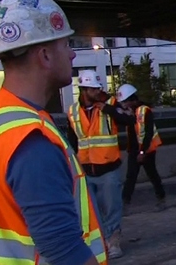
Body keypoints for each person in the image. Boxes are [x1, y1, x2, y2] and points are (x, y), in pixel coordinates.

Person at [0, 0, 106, 264]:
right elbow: (64, 252)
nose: (72, 55)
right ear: (44, 55)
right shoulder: (32, 140)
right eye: (66, 45)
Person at [66, 69, 135, 259]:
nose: (98, 91)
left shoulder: (110, 104)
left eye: (98, 88)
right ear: (84, 90)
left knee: (112, 207)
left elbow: (129, 119)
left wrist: (108, 109)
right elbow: (72, 140)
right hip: (86, 169)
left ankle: (113, 241)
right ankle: (99, 241)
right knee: (91, 211)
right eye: (94, 89)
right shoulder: (73, 112)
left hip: (108, 168)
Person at [117, 83, 166, 212]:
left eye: (125, 102)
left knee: (152, 174)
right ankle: (125, 203)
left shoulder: (145, 110)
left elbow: (149, 132)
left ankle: (161, 197)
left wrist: (143, 151)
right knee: (131, 176)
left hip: (147, 149)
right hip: (134, 149)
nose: (124, 105)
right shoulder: (130, 112)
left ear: (131, 99)